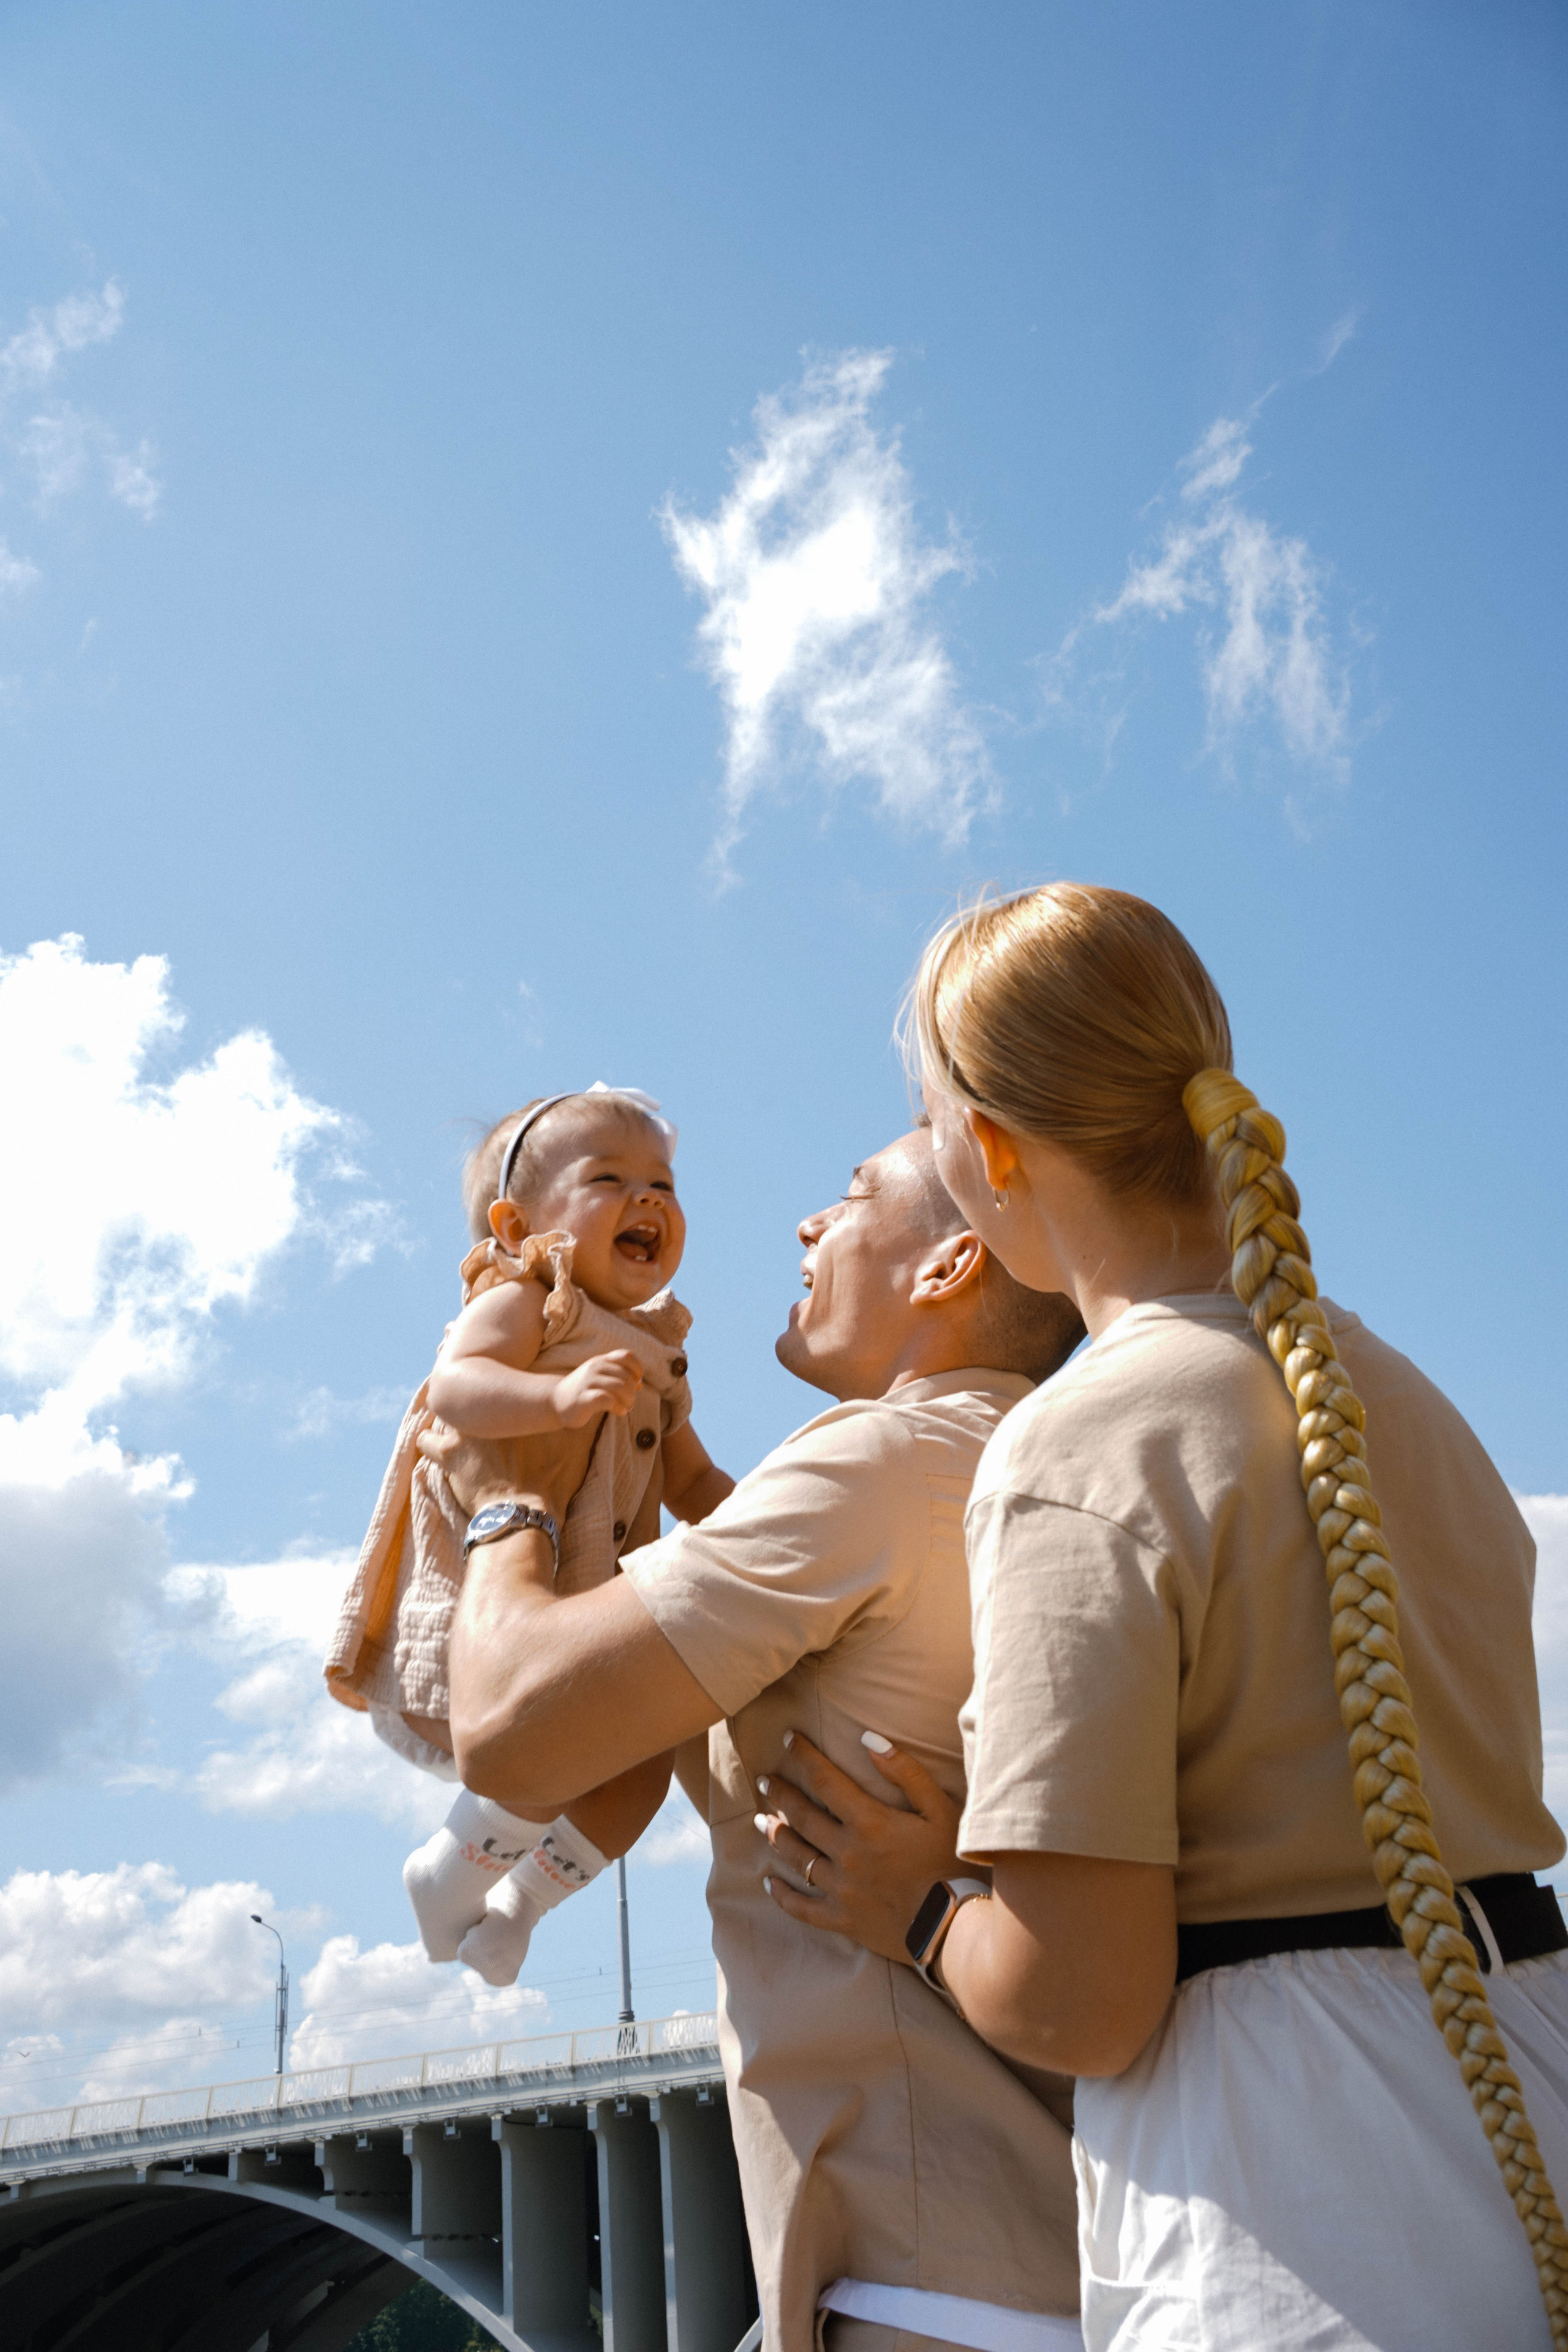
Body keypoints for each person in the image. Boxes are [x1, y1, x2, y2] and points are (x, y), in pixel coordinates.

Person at [757, 883, 1568, 2352]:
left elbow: (1081, 2003)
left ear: (990, 1150)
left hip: (1288, 2195)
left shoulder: (1082, 1442)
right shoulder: (1407, 1402)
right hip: (1531, 2099)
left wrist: (920, 1904)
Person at [424, 1129, 1088, 2352]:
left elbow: (512, 1733)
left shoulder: (871, 1465)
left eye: (848, 1198)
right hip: (1039, 2246)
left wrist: (502, 1495)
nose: (804, 1226)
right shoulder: (1039, 1465)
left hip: (921, 2261)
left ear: (945, 1269)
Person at [324, 1083, 730, 1984]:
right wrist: (551, 1395)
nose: (651, 1200)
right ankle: (451, 1869)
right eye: (610, 1177)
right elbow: (456, 1388)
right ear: (518, 1227)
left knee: (640, 1773)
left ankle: (517, 1907)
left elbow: (692, 1478)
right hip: (487, 1602)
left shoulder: (657, 1354)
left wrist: (759, 1523)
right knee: (541, 1740)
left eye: (664, 1182)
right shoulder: (526, 1299)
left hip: (585, 1615)